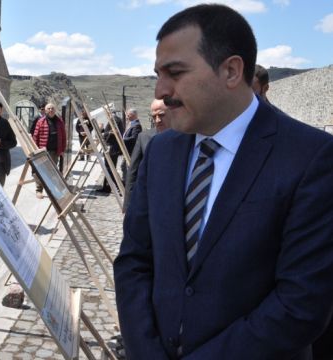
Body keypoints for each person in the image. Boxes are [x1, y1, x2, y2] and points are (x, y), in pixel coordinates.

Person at [113, 4, 333, 359]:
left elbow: (301, 303)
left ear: (231, 71)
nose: (161, 89)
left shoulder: (311, 157)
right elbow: (134, 261)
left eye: (175, 73)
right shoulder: (161, 152)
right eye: (157, 73)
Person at [122, 99, 169, 210]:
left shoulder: (186, 137)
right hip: (149, 202)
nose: (157, 120)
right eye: (154, 116)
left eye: (161, 115)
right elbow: (133, 172)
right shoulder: (144, 137)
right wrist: (128, 205)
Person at [32, 103, 66, 199]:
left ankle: (52, 190)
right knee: (40, 171)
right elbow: (35, 136)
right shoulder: (40, 121)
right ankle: (39, 190)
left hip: (55, 151)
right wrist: (36, 149)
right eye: (49, 108)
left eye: (52, 108)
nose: (51, 110)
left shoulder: (60, 122)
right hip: (42, 151)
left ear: (55, 110)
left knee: (52, 172)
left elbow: (64, 137)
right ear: (45, 110)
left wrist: (62, 150)